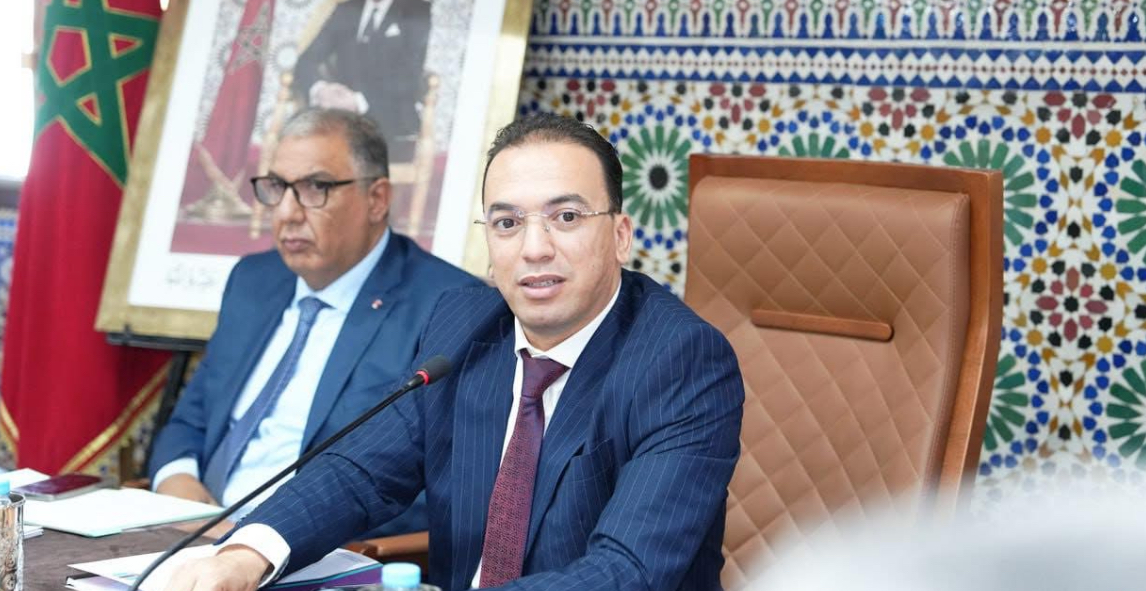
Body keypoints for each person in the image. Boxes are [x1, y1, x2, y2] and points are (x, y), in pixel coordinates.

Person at [164, 113, 744, 591]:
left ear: (620, 235)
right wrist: (245, 554)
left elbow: (626, 572)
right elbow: (361, 471)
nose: (534, 248)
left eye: (565, 217)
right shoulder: (464, 324)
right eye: (507, 222)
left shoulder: (681, 361)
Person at [148, 108, 479, 534]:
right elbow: (191, 421)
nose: (287, 212)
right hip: (188, 530)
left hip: (307, 549)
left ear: (377, 199)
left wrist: (258, 539)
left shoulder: (449, 306)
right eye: (277, 187)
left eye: (314, 188)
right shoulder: (253, 281)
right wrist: (181, 491)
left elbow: (432, 489)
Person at [293, 0, 431, 162]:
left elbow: (410, 76)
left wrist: (358, 101)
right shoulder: (347, 9)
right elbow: (306, 60)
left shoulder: (417, 11)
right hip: (339, 113)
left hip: (391, 118)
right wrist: (322, 90)